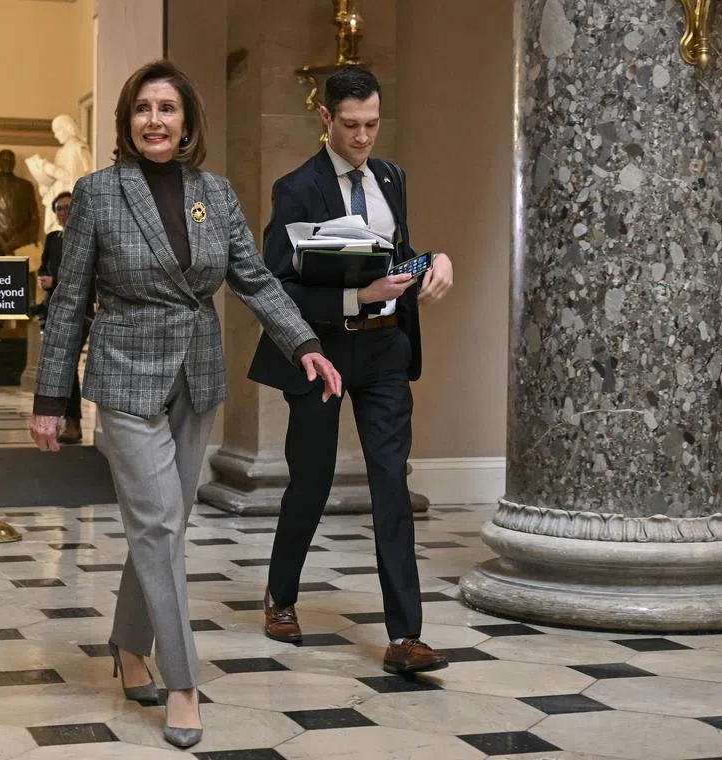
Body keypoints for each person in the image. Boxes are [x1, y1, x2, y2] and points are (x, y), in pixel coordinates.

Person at [30, 60, 342, 749]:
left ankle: (127, 644)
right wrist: (51, 396)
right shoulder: (98, 193)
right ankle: (181, 682)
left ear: (188, 121)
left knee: (162, 524)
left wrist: (304, 344)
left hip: (195, 375)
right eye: (143, 108)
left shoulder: (216, 193)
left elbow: (253, 278)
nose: (155, 121)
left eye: (167, 108)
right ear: (127, 121)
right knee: (161, 526)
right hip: (126, 372)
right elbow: (70, 299)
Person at [248, 67, 455, 676]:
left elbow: (400, 260)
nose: (364, 137)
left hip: (386, 351)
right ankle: (281, 596)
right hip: (321, 351)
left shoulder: (391, 177)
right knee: (310, 481)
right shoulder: (296, 188)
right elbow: (274, 286)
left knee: (391, 482)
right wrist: (353, 300)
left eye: (372, 124)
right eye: (351, 125)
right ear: (326, 119)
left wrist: (435, 259)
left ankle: (406, 635)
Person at [34, 191, 90, 443]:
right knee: (58, 366)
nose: (63, 213)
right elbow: (44, 266)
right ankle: (62, 420)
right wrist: (45, 279)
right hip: (54, 309)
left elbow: (90, 278)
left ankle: (73, 422)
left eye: (67, 207)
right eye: (58, 209)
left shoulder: (88, 238)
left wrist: (56, 281)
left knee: (67, 365)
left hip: (83, 312)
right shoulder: (53, 239)